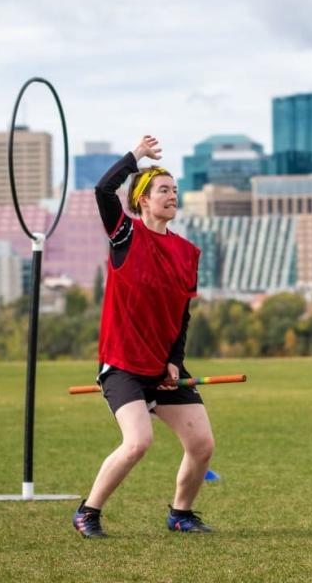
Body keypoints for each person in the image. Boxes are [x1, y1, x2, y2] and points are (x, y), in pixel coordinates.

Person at [73, 134, 215, 539]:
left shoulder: (188, 252)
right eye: (163, 190)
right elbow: (103, 189)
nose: (172, 195)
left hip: (163, 364)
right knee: (138, 442)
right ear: (142, 199)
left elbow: (181, 315)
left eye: (175, 189)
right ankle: (88, 512)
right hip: (122, 365)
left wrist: (174, 360)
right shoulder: (125, 235)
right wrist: (136, 156)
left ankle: (181, 515)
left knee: (202, 444)